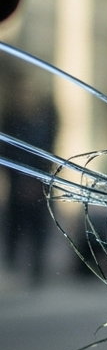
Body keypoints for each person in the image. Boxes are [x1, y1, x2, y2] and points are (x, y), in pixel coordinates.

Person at [1, 79, 59, 285]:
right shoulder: (12, 120)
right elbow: (7, 152)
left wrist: (39, 177)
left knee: (38, 226)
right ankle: (14, 267)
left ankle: (36, 270)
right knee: (16, 225)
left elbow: (49, 149)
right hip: (18, 181)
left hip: (40, 180)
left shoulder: (46, 118)